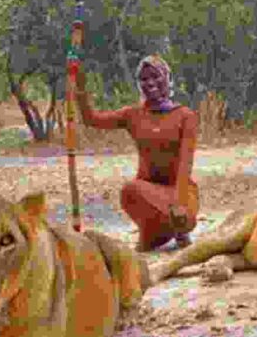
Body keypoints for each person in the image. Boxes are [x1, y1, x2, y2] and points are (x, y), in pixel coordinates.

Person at [76, 55, 199, 252]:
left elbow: (186, 164)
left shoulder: (185, 116)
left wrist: (179, 203)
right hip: (147, 195)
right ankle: (156, 232)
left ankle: (180, 230)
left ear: (168, 78)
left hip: (181, 196)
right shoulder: (132, 115)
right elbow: (91, 119)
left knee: (175, 213)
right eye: (144, 79)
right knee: (131, 192)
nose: (150, 83)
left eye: (156, 76)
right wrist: (80, 90)